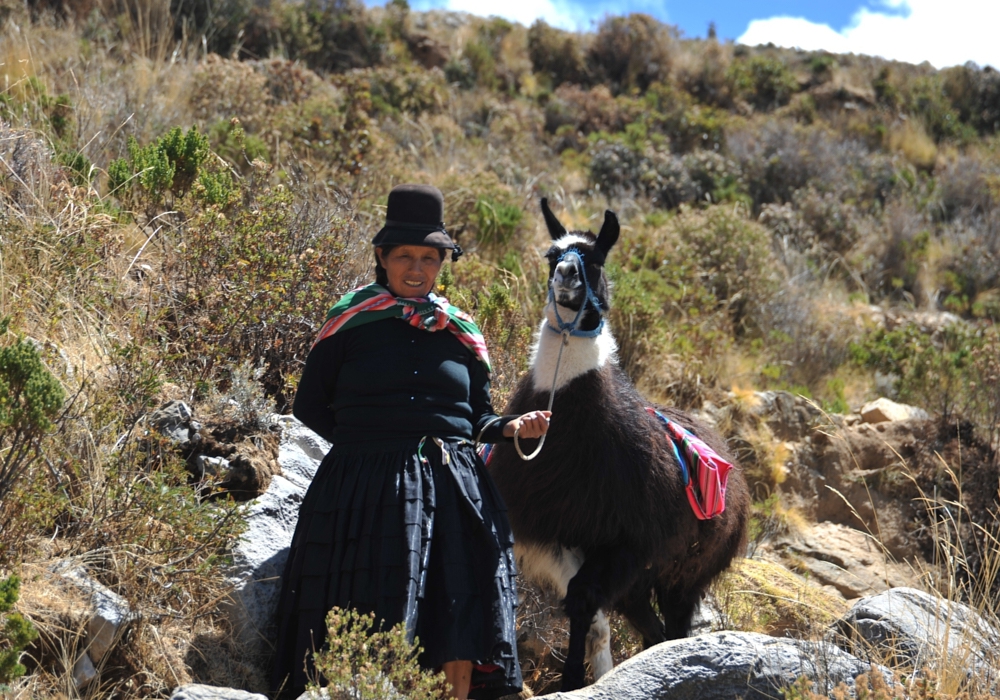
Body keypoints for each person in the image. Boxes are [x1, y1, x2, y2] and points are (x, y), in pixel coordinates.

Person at [271, 184, 548, 700]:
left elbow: (478, 418)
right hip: (363, 489)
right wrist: (368, 448)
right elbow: (309, 406)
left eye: (429, 257)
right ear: (382, 256)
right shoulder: (350, 322)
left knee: (457, 609)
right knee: (364, 607)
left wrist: (511, 427)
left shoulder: (461, 332)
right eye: (404, 256)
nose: (417, 268)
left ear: (443, 261)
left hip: (456, 491)